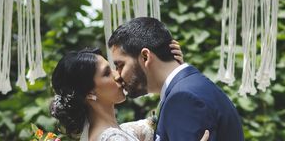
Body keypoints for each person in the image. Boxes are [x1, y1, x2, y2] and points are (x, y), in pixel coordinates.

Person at [108, 17, 244, 141]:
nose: (118, 75)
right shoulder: (188, 87)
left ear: (145, 57)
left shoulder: (183, 98)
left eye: (120, 65)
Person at [50, 43, 209, 141]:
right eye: (107, 73)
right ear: (89, 93)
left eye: (113, 68)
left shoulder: (121, 131)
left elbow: (155, 121)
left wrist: (171, 70)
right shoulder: (111, 138)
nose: (118, 75)